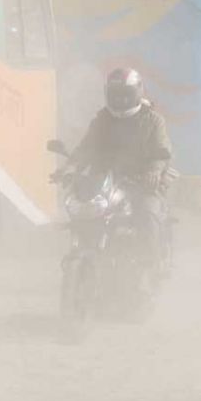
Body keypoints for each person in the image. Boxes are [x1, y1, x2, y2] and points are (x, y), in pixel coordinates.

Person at [56, 68, 172, 271]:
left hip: (141, 183)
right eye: (116, 94)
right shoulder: (102, 120)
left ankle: (151, 265)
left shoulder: (153, 121)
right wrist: (70, 167)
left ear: (138, 92)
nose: (121, 99)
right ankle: (86, 250)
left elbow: (161, 152)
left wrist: (154, 171)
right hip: (104, 183)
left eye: (126, 94)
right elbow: (85, 149)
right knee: (82, 210)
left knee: (148, 213)